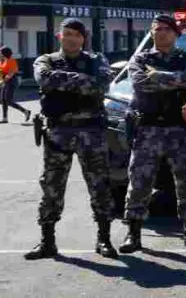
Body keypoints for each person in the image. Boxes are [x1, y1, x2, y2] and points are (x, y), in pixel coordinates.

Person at [25, 18, 117, 260]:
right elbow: (45, 78)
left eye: (76, 34)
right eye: (67, 34)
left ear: (83, 38)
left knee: (100, 185)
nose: (71, 38)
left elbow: (100, 86)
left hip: (91, 132)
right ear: (59, 36)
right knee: (51, 187)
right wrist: (82, 79)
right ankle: (47, 242)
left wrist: (63, 81)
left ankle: (104, 239)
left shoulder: (97, 60)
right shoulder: (45, 60)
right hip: (58, 133)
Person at [119, 15, 186, 253]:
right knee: (139, 181)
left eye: (167, 29)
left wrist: (157, 75)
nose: (162, 33)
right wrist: (175, 80)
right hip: (148, 129)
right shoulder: (140, 58)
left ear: (176, 33)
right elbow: (140, 83)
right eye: (157, 29)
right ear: (151, 33)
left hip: (179, 128)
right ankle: (133, 233)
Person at [0, 46, 31, 123]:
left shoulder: (12, 61)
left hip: (11, 82)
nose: (0, 53)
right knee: (3, 100)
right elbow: (1, 71)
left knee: (8, 100)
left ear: (5, 53)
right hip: (5, 81)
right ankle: (5, 118)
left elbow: (10, 74)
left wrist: (3, 81)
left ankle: (25, 111)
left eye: (1, 52)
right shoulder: (3, 60)